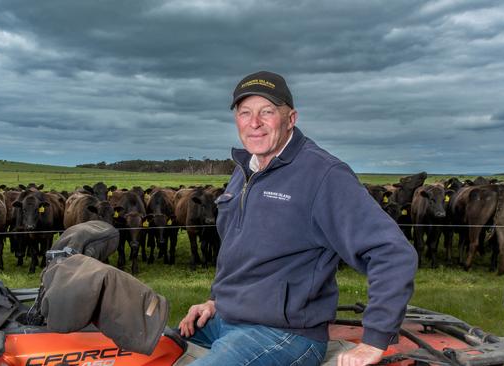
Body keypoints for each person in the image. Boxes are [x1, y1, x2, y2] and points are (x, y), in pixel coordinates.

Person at [178, 71, 418, 366]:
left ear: (291, 118)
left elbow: (392, 252)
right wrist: (214, 300)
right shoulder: (244, 171)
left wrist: (374, 340)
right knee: (142, 349)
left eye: (267, 112)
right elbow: (239, 250)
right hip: (224, 320)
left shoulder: (322, 175)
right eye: (245, 113)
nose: (254, 123)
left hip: (284, 334)